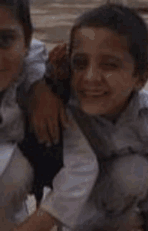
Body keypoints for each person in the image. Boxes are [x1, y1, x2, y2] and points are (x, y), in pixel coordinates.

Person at [31, 3, 148, 231]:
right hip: (85, 198)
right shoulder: (62, 105)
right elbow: (27, 70)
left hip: (128, 186)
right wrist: (45, 87)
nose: (90, 78)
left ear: (140, 78)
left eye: (109, 65)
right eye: (80, 63)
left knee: (141, 172)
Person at [0, 0, 95, 230]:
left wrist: (38, 223)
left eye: (4, 40)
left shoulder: (32, 89)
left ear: (26, 41)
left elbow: (83, 164)